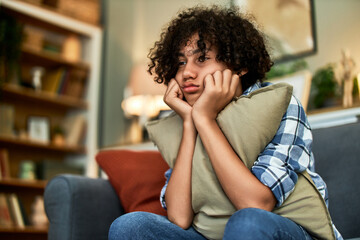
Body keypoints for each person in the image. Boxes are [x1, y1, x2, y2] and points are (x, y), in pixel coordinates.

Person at [108, 6, 342, 240]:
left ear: (238, 64)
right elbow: (180, 218)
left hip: (279, 228)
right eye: (180, 63)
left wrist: (206, 121)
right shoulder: (183, 118)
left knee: (247, 222)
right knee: (130, 226)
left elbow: (256, 204)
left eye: (202, 58)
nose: (187, 72)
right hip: (215, 235)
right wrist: (191, 124)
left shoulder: (278, 103)